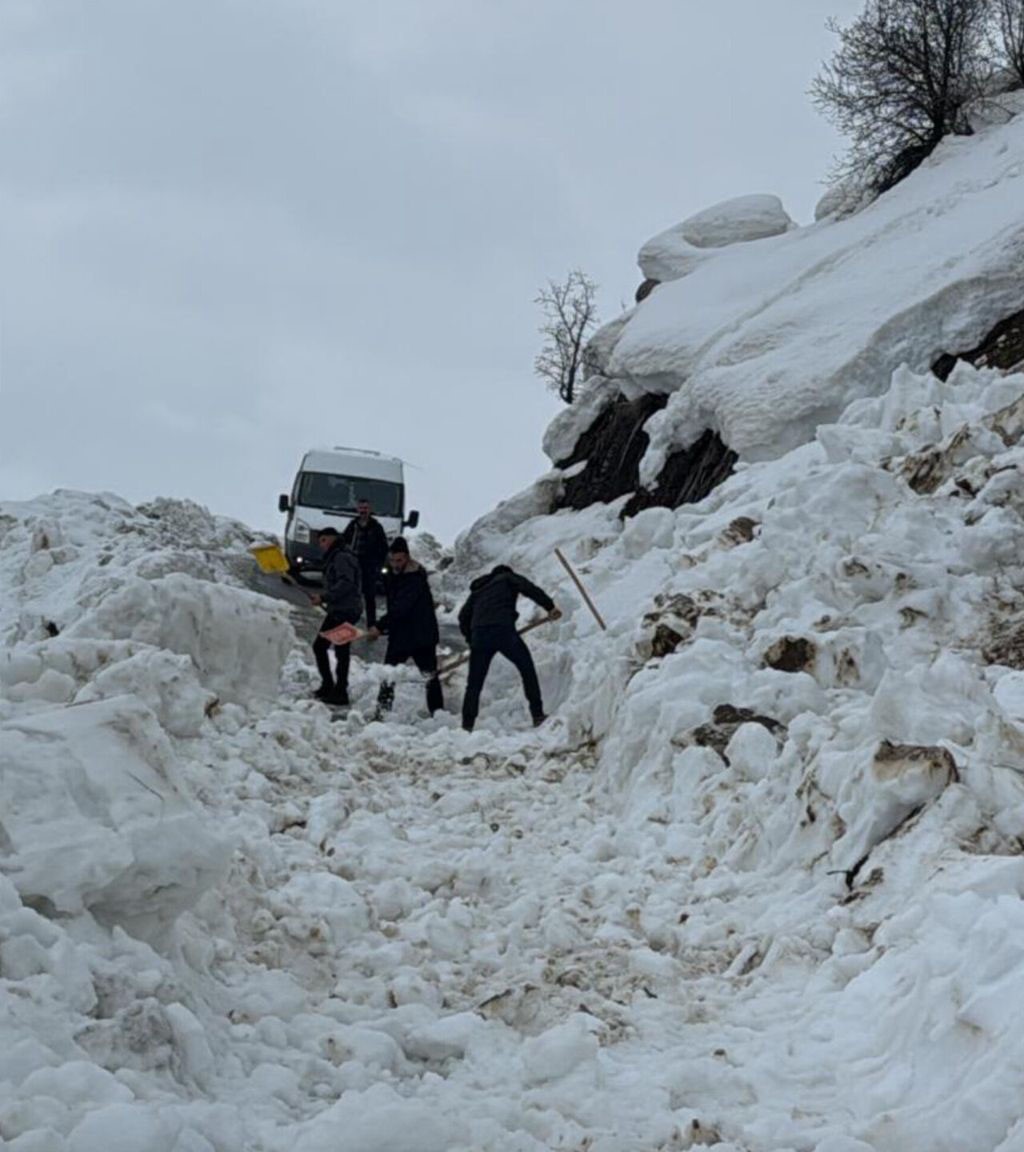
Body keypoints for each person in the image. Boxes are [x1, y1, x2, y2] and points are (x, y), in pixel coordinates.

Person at [458, 565, 561, 732]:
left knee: (474, 684)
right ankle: (537, 714)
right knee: (526, 669)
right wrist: (550, 607)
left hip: (480, 635)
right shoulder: (507, 577)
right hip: (502, 631)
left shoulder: (478, 590)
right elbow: (529, 588)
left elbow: (463, 616)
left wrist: (472, 639)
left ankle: (467, 725)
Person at [369, 537, 444, 717]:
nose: (395, 564)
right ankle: (382, 714)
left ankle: (438, 715)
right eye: (392, 560)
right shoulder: (393, 575)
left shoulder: (415, 578)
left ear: (408, 558)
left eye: (399, 560)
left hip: (421, 636)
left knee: (430, 677)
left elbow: (401, 607)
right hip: (401, 635)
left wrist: (380, 626)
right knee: (389, 675)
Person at [310, 527, 362, 705]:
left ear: (332, 539)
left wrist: (324, 597)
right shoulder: (339, 555)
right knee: (340, 649)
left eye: (323, 540)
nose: (321, 545)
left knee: (321, 646)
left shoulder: (341, 557)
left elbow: (346, 583)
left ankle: (336, 689)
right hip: (344, 609)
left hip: (344, 610)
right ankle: (336, 688)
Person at [340, 498, 389, 629]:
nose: (363, 511)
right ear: (358, 510)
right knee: (350, 594)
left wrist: (378, 564)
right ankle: (346, 622)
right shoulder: (353, 525)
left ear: (370, 510)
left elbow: (383, 548)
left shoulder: (376, 527)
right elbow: (343, 542)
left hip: (369, 566)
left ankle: (371, 625)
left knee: (369, 596)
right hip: (354, 564)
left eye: (366, 508)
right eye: (361, 508)